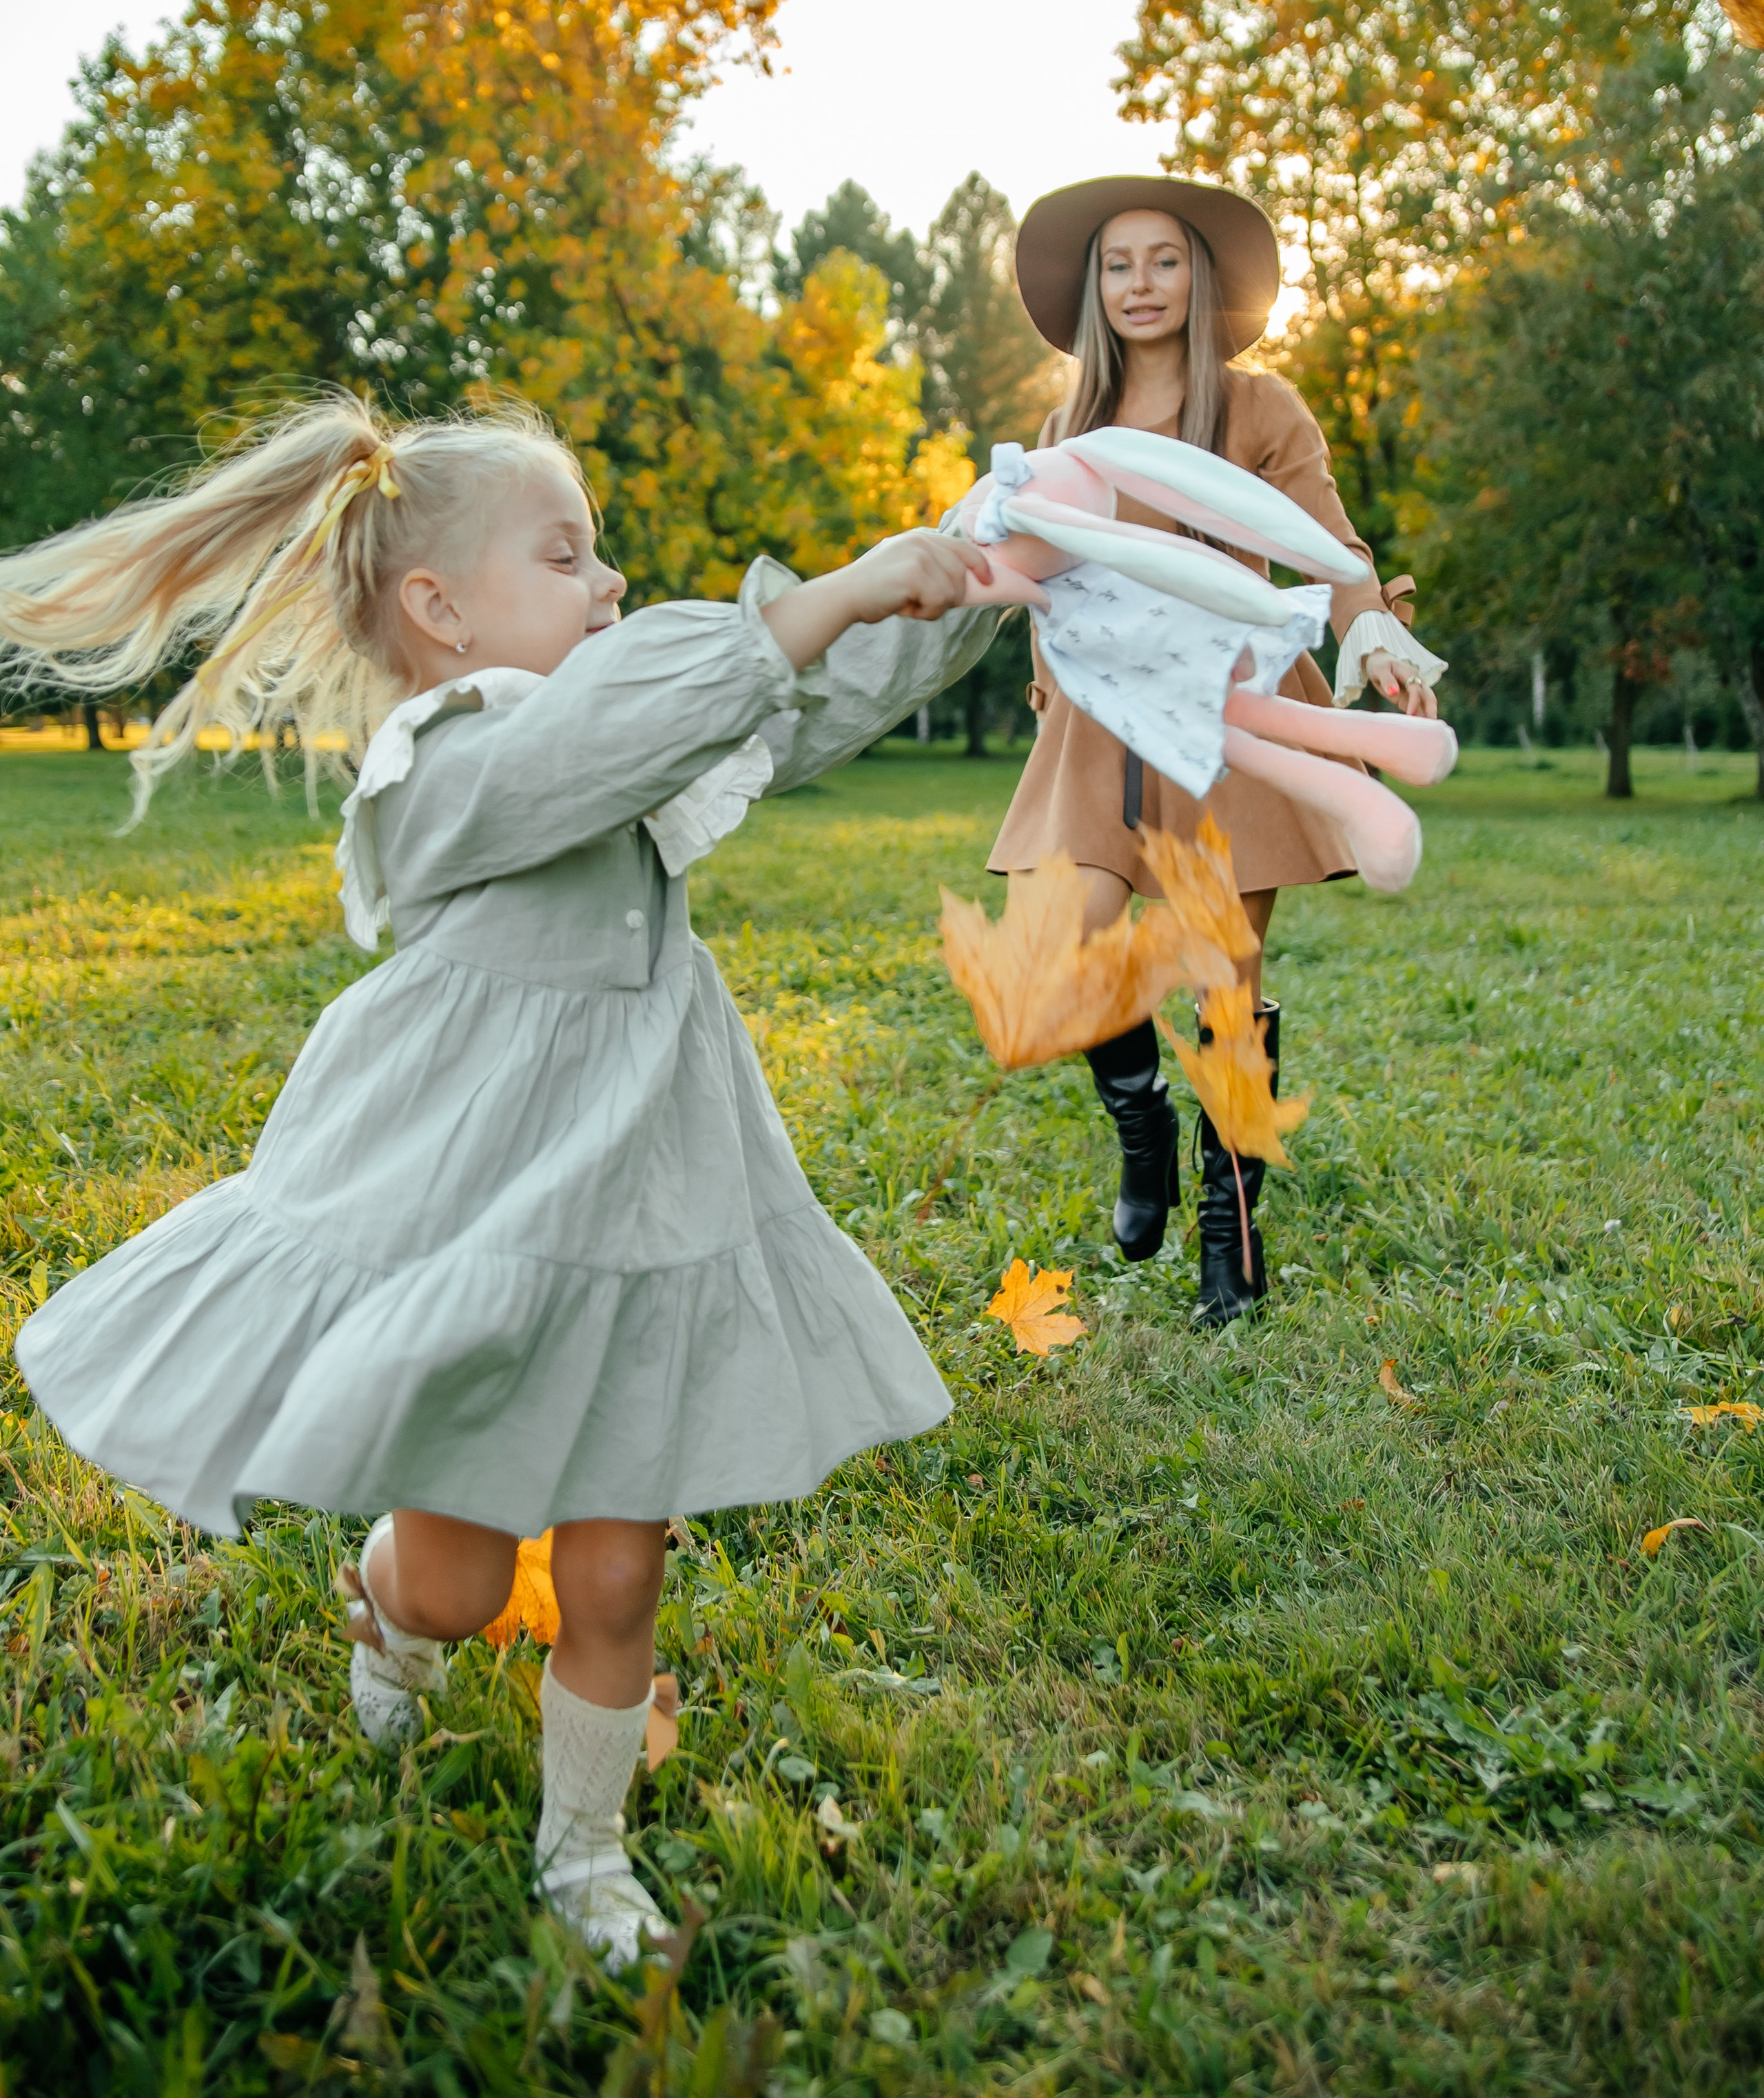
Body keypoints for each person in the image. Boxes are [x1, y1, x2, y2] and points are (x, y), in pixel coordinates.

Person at [4, 397, 1001, 1965]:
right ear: (441, 612)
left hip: (639, 1207)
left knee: (620, 1563)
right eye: (567, 554)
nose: (605, 584)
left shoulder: (619, 739)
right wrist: (829, 591)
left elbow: (781, 706)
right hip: (478, 1214)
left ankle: (583, 1849)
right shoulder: (450, 767)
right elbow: (612, 729)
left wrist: (957, 582)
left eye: (602, 555)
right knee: (461, 1584)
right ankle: (390, 1627)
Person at [989, 178, 1446, 1323]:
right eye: (1118, 267)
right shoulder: (1066, 429)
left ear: (1200, 278)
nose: (1140, 286)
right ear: (1096, 292)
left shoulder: (1258, 408)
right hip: (1101, 726)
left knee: (1223, 981)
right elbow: (1050, 572)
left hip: (1230, 715)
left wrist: (1369, 621)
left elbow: (1326, 541)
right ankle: (1141, 1122)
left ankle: (1228, 1243)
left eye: (1163, 262)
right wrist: (1044, 682)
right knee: (1070, 941)